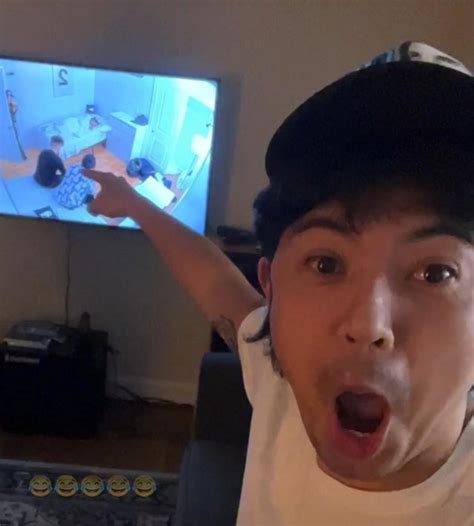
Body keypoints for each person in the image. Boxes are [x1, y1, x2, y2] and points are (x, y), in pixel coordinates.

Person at [84, 42, 474, 525]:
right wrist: (132, 202)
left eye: (435, 273)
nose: (368, 324)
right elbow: (213, 279)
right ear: (272, 287)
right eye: (326, 264)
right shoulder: (281, 384)